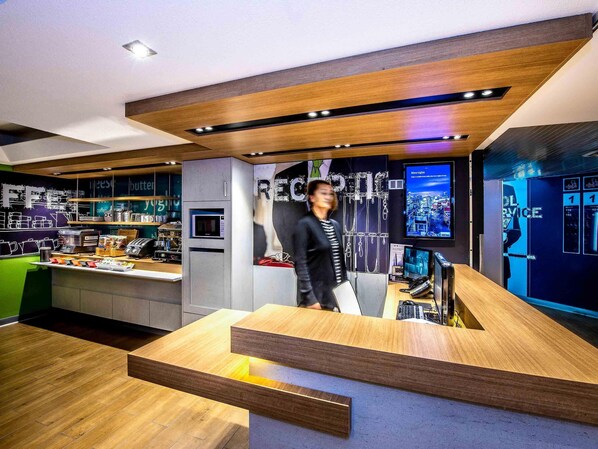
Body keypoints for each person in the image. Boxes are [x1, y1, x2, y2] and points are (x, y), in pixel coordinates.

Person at [293, 179, 347, 310]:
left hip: (335, 296)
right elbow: (300, 265)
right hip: (315, 299)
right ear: (312, 197)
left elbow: (340, 263)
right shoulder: (304, 224)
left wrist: (344, 289)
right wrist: (310, 299)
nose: (328, 197)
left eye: (331, 193)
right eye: (323, 193)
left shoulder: (335, 225)